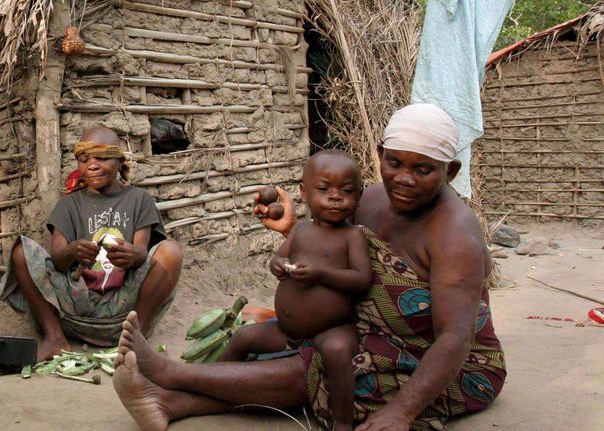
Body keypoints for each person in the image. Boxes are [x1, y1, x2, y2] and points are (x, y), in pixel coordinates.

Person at [112, 104, 506, 431]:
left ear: (450, 172)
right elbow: (332, 236)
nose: (403, 179)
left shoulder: (456, 234)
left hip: (449, 363)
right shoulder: (369, 200)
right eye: (394, 162)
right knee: (309, 346)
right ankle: (169, 404)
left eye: (423, 170)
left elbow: (455, 337)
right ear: (381, 154)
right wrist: (293, 231)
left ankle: (171, 376)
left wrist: (402, 410)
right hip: (369, 335)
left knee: (331, 365)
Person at [0, 126, 183, 361]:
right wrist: (72, 251)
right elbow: (58, 260)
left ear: (119, 161)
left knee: (171, 251)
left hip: (123, 309)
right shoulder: (69, 204)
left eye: (101, 158)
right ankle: (55, 338)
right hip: (75, 307)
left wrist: (132, 255)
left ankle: (137, 339)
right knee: (21, 251)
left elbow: (142, 252)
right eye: (84, 159)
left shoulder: (139, 200)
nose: (91, 165)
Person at [219, 150, 370, 431]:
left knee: (337, 351)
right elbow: (278, 258)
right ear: (304, 192)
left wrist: (322, 274)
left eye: (347, 191)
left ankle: (342, 420)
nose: (335, 197)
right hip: (286, 331)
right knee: (244, 336)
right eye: (324, 189)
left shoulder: (352, 236)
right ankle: (213, 383)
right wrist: (278, 265)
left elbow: (362, 279)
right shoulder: (300, 230)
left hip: (332, 328)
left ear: (359, 195)